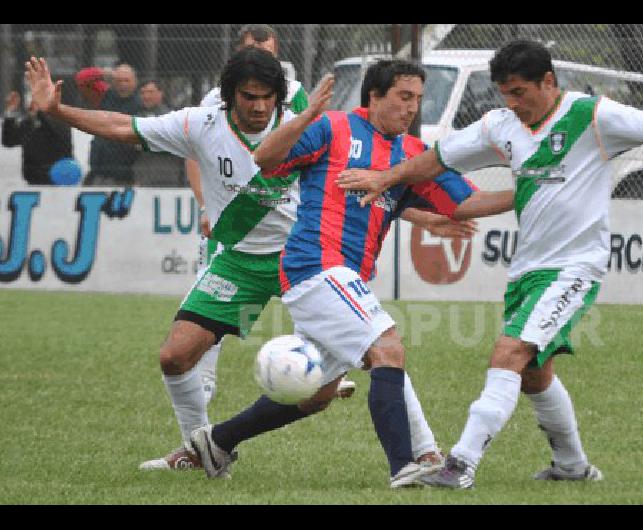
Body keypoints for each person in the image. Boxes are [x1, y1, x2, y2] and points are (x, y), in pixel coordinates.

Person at [336, 40, 643, 489]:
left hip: (574, 266)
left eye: (519, 92)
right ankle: (572, 465)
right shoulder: (501, 124)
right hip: (528, 269)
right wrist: (387, 177)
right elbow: (437, 159)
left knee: (509, 353)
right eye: (505, 93)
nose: (512, 103)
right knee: (533, 375)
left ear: (548, 81)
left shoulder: (592, 116)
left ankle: (459, 465)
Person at [25, 50, 465, 477]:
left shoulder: (300, 116)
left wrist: (421, 215)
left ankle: (424, 451)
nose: (258, 106)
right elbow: (123, 126)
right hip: (241, 260)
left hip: (306, 255)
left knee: (348, 372)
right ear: (228, 95)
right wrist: (58, 110)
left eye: (266, 97)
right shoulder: (201, 123)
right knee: (175, 356)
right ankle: (201, 447)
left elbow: (351, 187)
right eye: (248, 97)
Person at [187, 59, 515, 488]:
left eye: (417, 98)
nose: (412, 108)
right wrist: (306, 116)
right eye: (403, 96)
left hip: (345, 277)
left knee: (317, 393)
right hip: (315, 265)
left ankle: (216, 441)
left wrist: (531, 187)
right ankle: (408, 464)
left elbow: (467, 203)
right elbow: (264, 160)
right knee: (387, 348)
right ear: (374, 96)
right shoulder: (334, 127)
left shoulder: (414, 155)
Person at [188, 24, 309, 404]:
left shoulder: (295, 96)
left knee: (323, 310)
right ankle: (201, 402)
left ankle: (323, 371)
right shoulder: (213, 101)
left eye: (267, 51)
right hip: (234, 230)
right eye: (253, 50)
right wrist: (206, 205)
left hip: (291, 234)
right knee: (202, 326)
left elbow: (311, 149)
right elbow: (194, 152)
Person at [85, 63, 142, 186]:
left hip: (126, 172)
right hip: (99, 169)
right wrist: (103, 72)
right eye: (119, 80)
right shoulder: (104, 95)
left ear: (135, 82)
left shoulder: (141, 103)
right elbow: (82, 79)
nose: (123, 84)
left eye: (126, 80)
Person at [2, 89, 72, 185]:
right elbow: (9, 141)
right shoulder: (28, 123)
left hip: (59, 177)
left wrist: (40, 112)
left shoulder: (61, 120)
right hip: (33, 177)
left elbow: (57, 133)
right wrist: (10, 113)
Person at [132, 79, 185, 187]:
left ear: (160, 94)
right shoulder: (137, 116)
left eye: (150, 92)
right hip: (143, 176)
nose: (146, 96)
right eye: (143, 93)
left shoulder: (170, 117)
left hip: (167, 175)